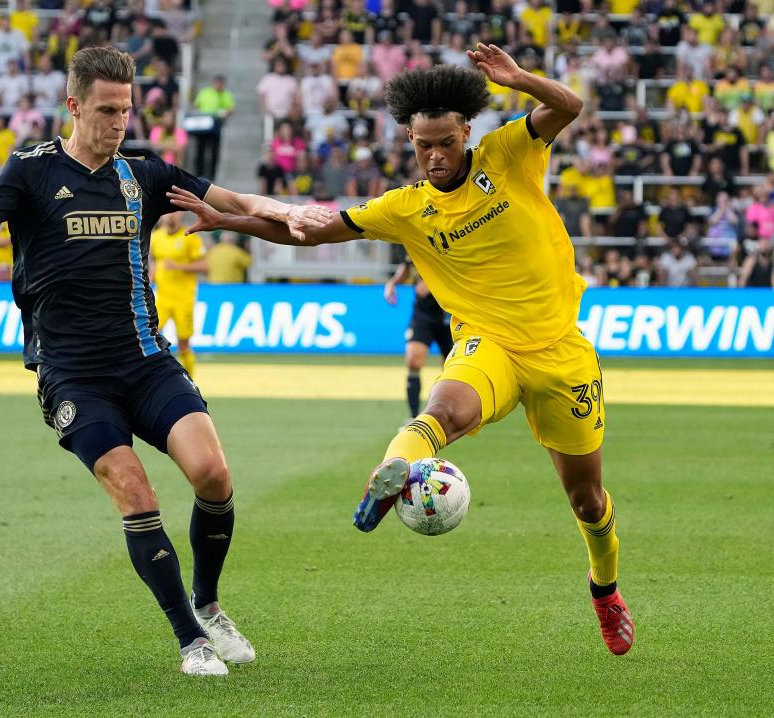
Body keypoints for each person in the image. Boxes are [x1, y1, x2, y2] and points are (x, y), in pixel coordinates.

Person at [169, 50, 634, 656]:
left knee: (586, 498)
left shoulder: (509, 154)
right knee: (443, 412)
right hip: (486, 344)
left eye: (444, 142)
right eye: (422, 146)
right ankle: (386, 478)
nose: (435, 156)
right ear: (409, 140)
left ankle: (605, 588)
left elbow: (569, 106)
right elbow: (305, 229)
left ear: (467, 132)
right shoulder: (404, 208)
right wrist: (227, 218)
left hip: (560, 351)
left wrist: (519, 80)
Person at [0, 46, 332, 676]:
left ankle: (209, 604)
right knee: (136, 493)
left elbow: (232, 197)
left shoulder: (144, 174)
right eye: (106, 110)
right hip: (73, 373)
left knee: (213, 476)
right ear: (75, 105)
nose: (118, 122)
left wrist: (287, 211)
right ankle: (191, 640)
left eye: (127, 110)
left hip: (145, 359)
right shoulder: (30, 170)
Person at [384, 259, 452, 421]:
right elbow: (407, 267)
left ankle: (448, 414)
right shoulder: (412, 240)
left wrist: (433, 282)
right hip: (423, 314)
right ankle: (414, 416)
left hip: (449, 313)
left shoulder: (451, 240)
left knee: (451, 368)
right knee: (413, 362)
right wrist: (392, 283)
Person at [150, 211, 206, 377]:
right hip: (162, 297)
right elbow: (153, 260)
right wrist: (150, 276)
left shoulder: (190, 236)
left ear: (180, 215)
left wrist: (179, 267)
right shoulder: (156, 237)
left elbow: (205, 266)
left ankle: (190, 381)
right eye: (167, 213)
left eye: (174, 213)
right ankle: (152, 378)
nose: (170, 216)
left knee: (183, 344)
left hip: (183, 298)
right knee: (149, 337)